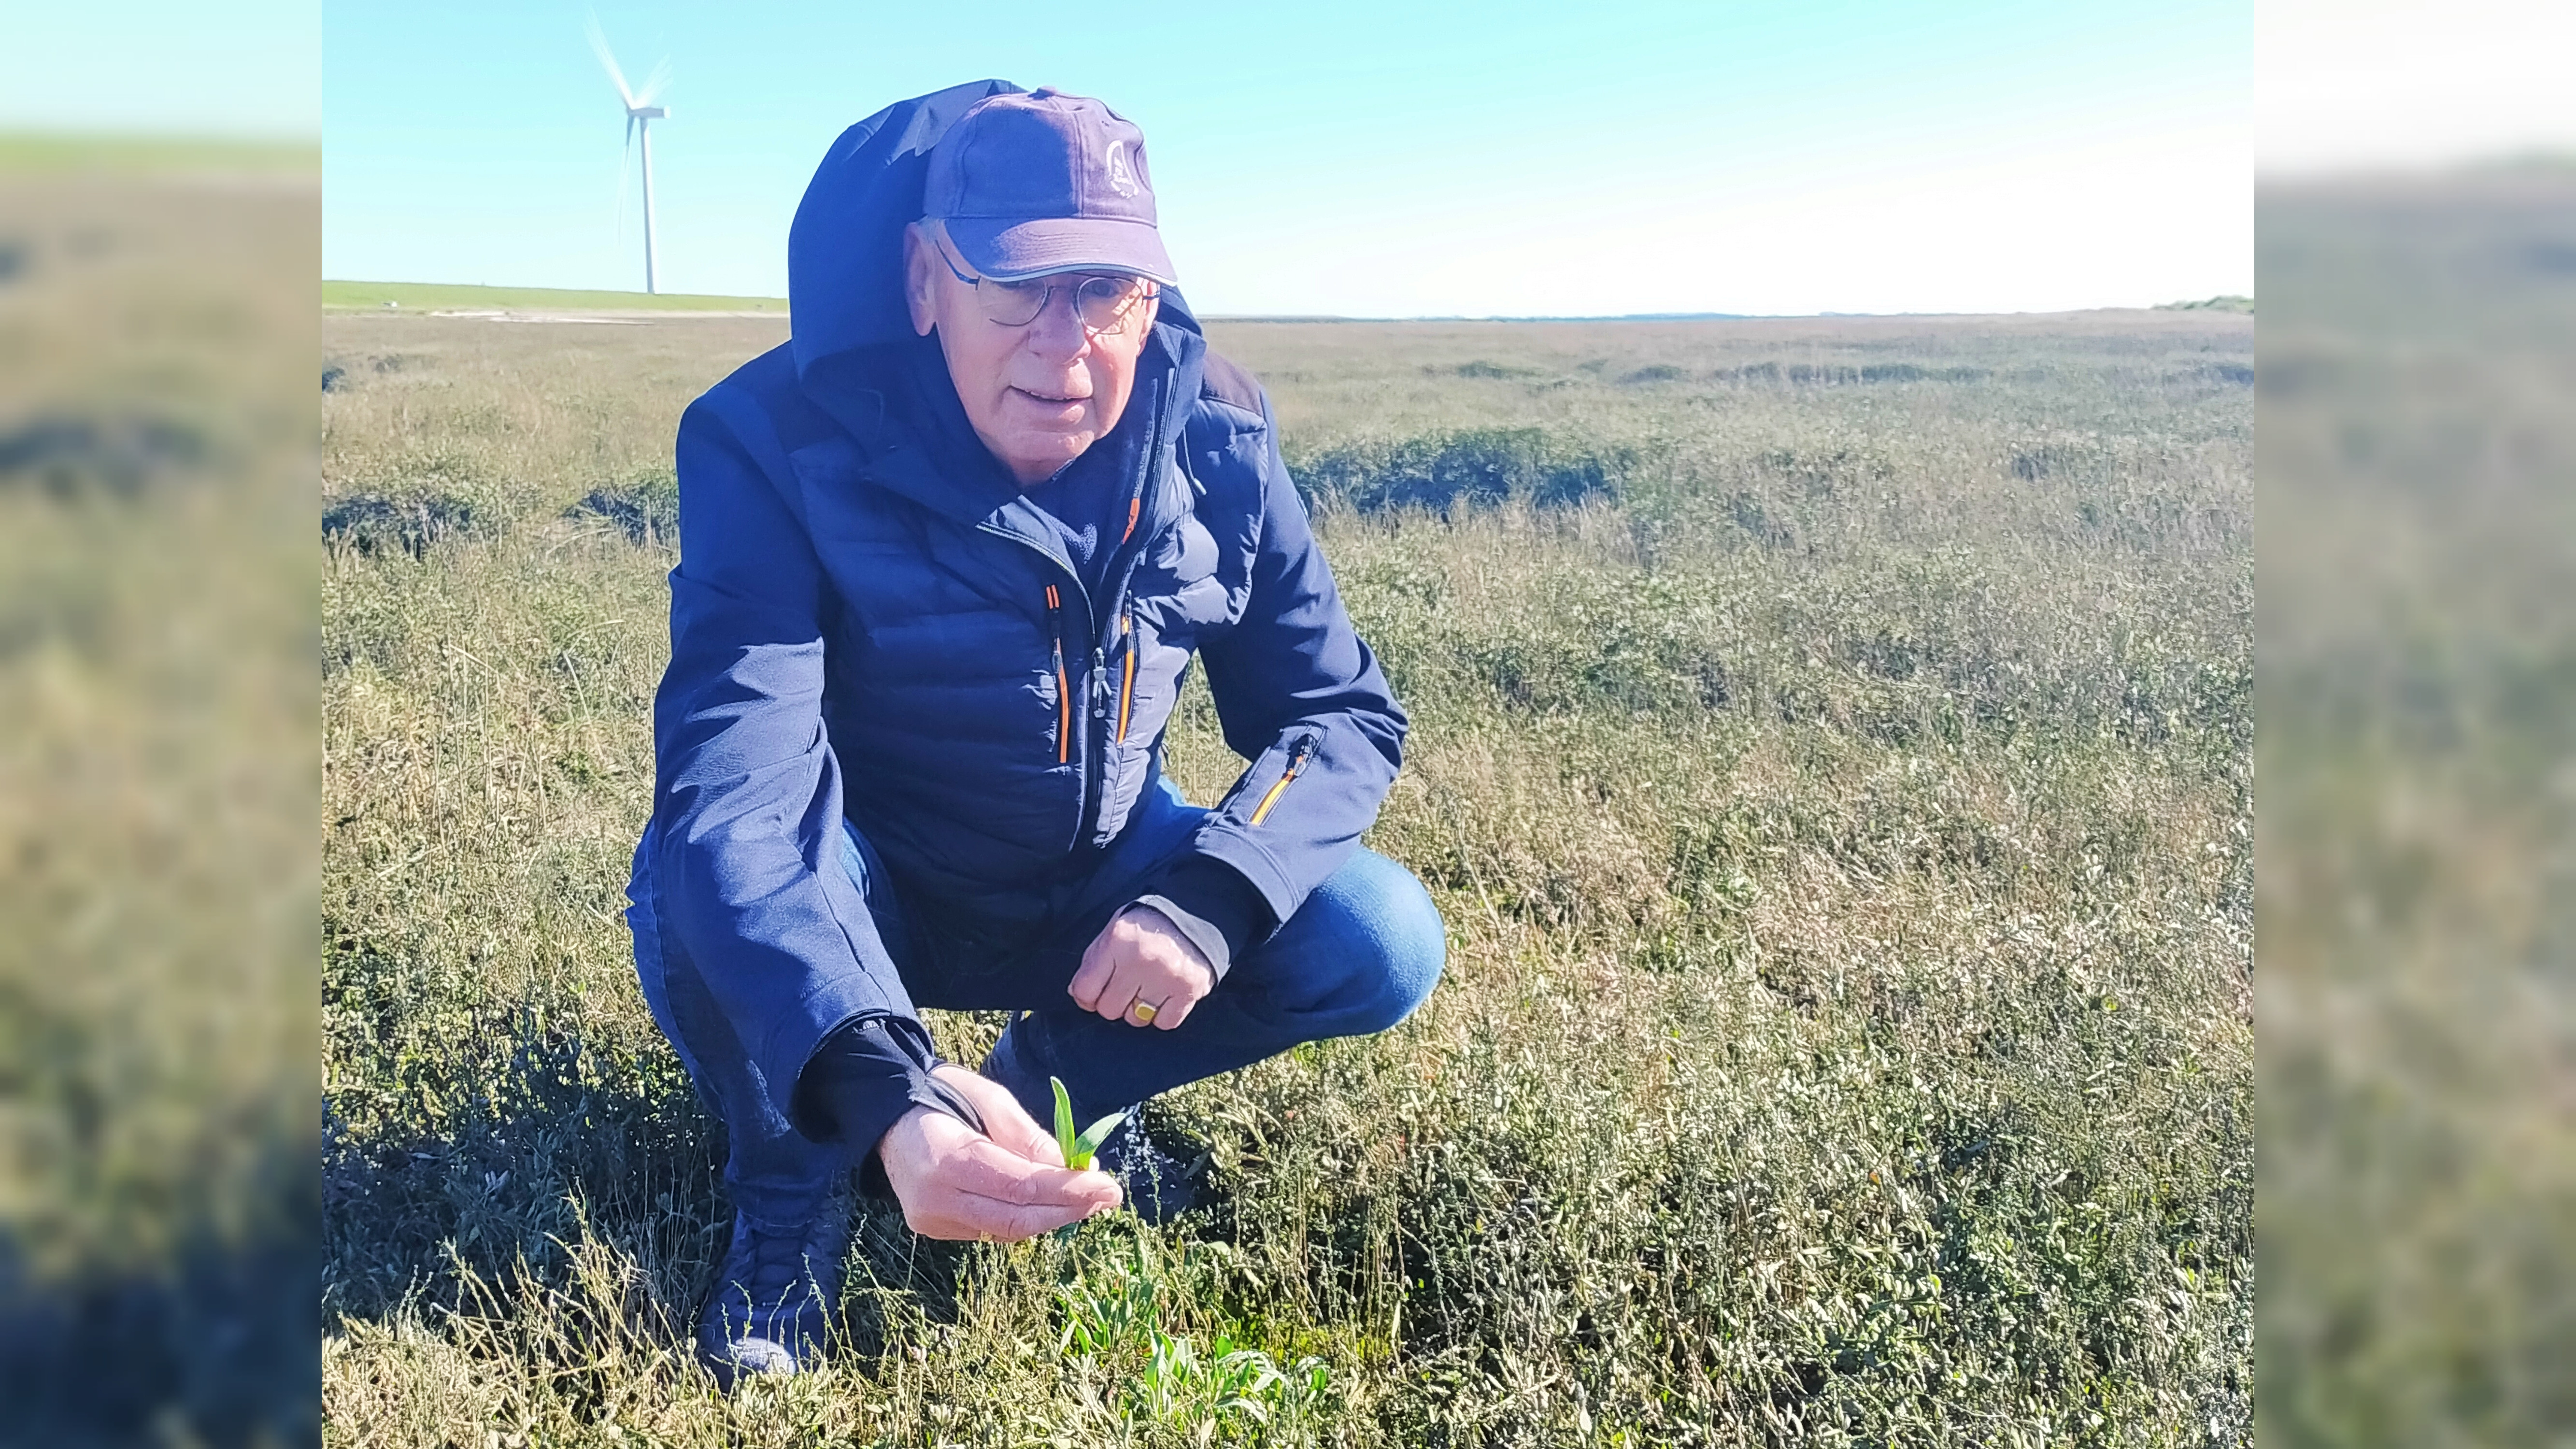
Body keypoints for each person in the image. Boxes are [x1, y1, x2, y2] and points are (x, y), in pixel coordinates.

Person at [622, 80, 1447, 1385]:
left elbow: (1338, 710)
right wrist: (886, 1092)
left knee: (1381, 935)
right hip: (864, 881)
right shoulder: (770, 439)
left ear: (1153, 294)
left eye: (1107, 293)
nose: (1065, 353)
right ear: (921, 281)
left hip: (1094, 878)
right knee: (690, 883)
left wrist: (1213, 896)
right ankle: (796, 1193)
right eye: (1016, 290)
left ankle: (1048, 1087)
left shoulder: (1216, 436)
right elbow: (740, 795)